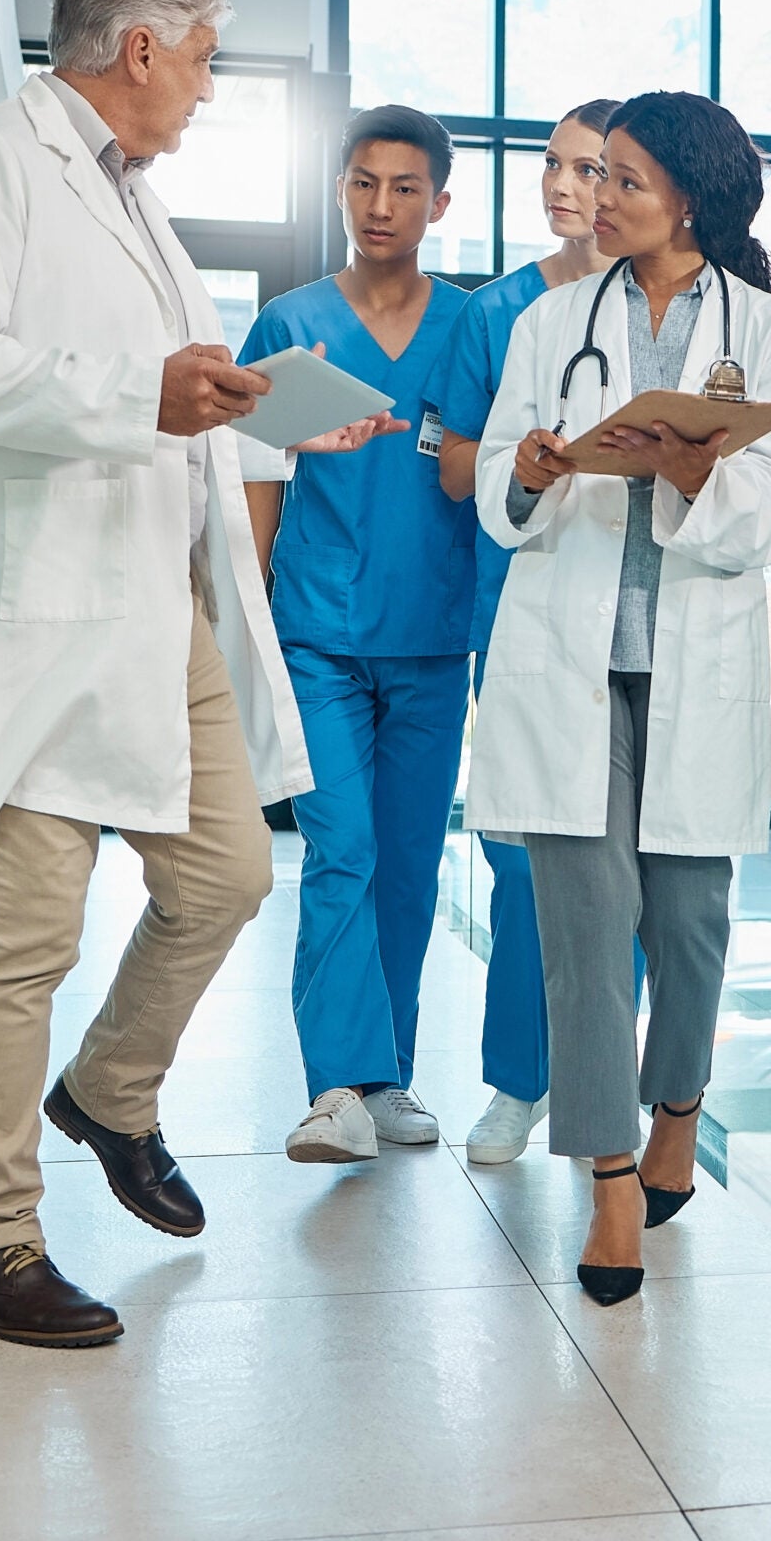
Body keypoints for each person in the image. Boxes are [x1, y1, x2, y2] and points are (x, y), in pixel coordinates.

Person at [0, 0, 400, 1347]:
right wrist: (138, 396)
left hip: (158, 611)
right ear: (143, 50)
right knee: (25, 936)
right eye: (208, 58)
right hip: (39, 618)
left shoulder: (132, 204)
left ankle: (107, 1092)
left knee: (228, 874)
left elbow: (173, 399)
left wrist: (274, 411)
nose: (211, 90)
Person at [469, 92, 771, 1304]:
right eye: (598, 175)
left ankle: (679, 1106)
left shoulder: (766, 330)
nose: (597, 198)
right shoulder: (551, 321)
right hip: (567, 654)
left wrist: (686, 471)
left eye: (623, 181)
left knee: (685, 924)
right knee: (582, 931)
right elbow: (500, 500)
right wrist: (522, 475)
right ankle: (611, 1179)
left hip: (694, 661)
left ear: (691, 198)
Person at [242, 106, 475, 1163]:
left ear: (438, 201)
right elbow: (250, 477)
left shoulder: (470, 329)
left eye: (405, 188)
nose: (382, 206)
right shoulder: (289, 323)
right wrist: (245, 613)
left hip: (432, 635)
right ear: (339, 188)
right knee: (345, 848)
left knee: (410, 865)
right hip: (317, 636)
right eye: (364, 184)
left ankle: (386, 1080)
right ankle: (332, 1086)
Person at [426, 98, 619, 1165]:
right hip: (518, 610)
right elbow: (457, 467)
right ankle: (518, 1081)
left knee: (626, 869)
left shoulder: (665, 307)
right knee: (520, 858)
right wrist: (534, 460)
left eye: (588, 167)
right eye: (552, 163)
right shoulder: (492, 312)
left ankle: (606, 1091)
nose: (561, 185)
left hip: (630, 615)